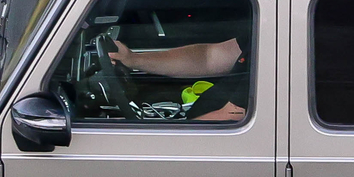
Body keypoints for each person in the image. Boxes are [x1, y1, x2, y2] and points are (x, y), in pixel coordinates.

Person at [106, 35, 249, 122]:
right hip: (197, 126)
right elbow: (208, 57)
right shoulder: (262, 35)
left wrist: (156, 140)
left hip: (209, 148)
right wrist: (132, 59)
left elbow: (233, 115)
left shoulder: (270, 49)